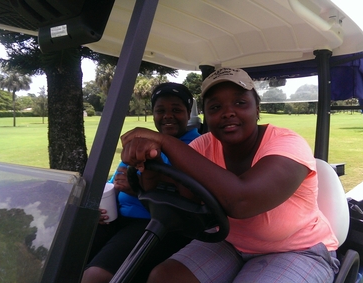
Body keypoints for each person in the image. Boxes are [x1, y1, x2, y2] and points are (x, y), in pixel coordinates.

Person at [121, 67, 340, 283]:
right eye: (215, 107)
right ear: (206, 115)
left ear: (257, 109)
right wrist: (151, 162)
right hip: (229, 242)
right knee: (164, 277)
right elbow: (188, 197)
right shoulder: (203, 146)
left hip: (296, 249)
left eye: (240, 103)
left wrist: (165, 141)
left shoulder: (288, 143)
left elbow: (243, 201)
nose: (228, 112)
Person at [82, 82, 201, 283]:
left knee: (95, 277)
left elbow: (190, 195)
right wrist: (99, 207)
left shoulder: (198, 147)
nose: (168, 115)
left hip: (154, 224)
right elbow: (114, 180)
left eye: (176, 110)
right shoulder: (143, 143)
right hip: (117, 218)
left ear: (188, 113)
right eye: (160, 110)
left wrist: (137, 189)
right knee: (68, 258)